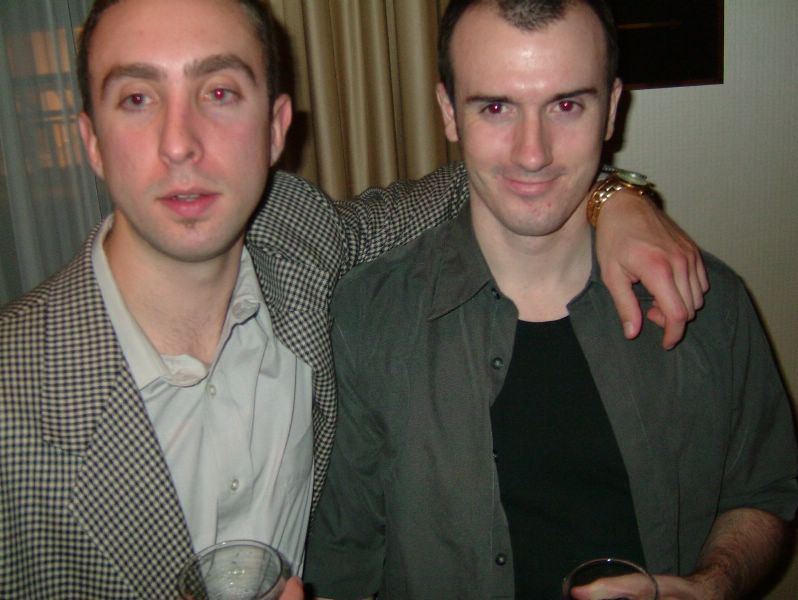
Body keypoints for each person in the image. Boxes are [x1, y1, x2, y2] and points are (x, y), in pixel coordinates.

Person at [0, 0, 707, 597]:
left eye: (219, 93)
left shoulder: (302, 240)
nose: (179, 143)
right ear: (91, 141)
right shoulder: (14, 405)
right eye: (137, 98)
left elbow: (508, 173)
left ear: (276, 127)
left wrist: (614, 193)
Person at [303, 1, 798, 599]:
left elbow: (763, 492)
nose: (532, 153)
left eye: (566, 105)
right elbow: (342, 562)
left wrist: (711, 585)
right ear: (449, 112)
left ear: (612, 108)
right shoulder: (367, 319)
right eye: (495, 107)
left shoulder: (709, 302)